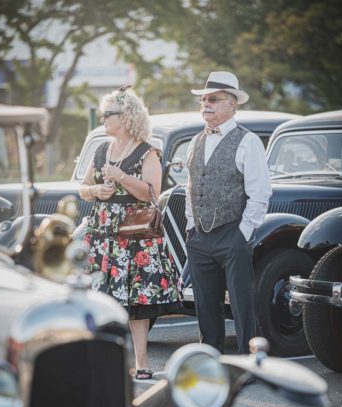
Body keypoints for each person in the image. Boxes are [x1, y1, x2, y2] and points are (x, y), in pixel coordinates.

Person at [79, 86, 182, 379]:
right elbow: (83, 189)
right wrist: (97, 189)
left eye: (107, 114)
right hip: (103, 232)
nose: (103, 118)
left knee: (136, 301)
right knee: (100, 296)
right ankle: (99, 362)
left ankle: (142, 364)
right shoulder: (101, 149)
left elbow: (153, 193)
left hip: (133, 230)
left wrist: (121, 177)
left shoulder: (146, 151)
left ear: (126, 117)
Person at [185, 71, 272, 354]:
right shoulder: (196, 140)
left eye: (213, 99)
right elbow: (191, 187)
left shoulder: (248, 141)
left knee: (241, 304)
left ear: (232, 104)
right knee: (206, 307)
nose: (206, 104)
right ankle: (210, 359)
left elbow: (260, 194)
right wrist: (191, 228)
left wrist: (242, 234)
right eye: (203, 99)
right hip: (200, 238)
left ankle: (249, 362)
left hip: (232, 234)